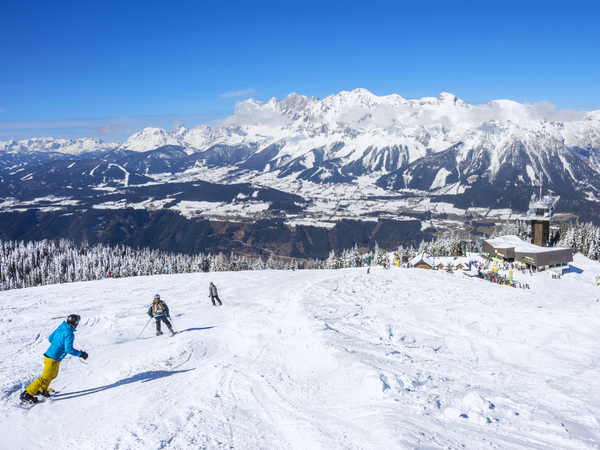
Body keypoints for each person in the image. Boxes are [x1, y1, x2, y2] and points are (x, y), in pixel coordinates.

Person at [20, 314, 88, 404]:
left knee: (52, 375)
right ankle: (27, 394)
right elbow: (69, 349)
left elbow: (50, 338)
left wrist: (57, 345)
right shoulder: (69, 333)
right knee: (45, 377)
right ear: (76, 323)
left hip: (51, 356)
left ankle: (41, 390)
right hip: (53, 358)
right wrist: (81, 354)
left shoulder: (61, 328)